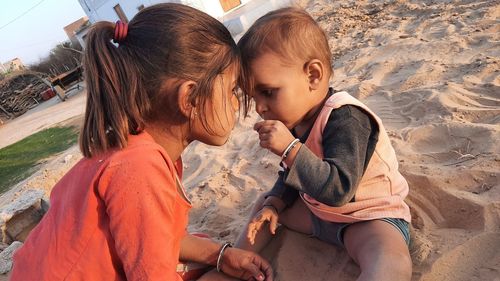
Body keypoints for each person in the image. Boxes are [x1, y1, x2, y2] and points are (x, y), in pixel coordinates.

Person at [10, 4, 273, 281]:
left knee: (202, 243)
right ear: (190, 99)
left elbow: (160, 239)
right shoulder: (140, 168)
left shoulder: (134, 146)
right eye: (232, 90)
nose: (236, 103)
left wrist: (220, 254)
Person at [235, 7, 412, 281]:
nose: (259, 107)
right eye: (253, 96)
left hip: (364, 216)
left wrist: (290, 149)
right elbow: (292, 176)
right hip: (319, 213)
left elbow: (339, 189)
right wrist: (275, 205)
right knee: (265, 205)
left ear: (313, 75)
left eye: (268, 92)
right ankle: (235, 260)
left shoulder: (346, 117)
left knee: (388, 259)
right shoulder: (297, 120)